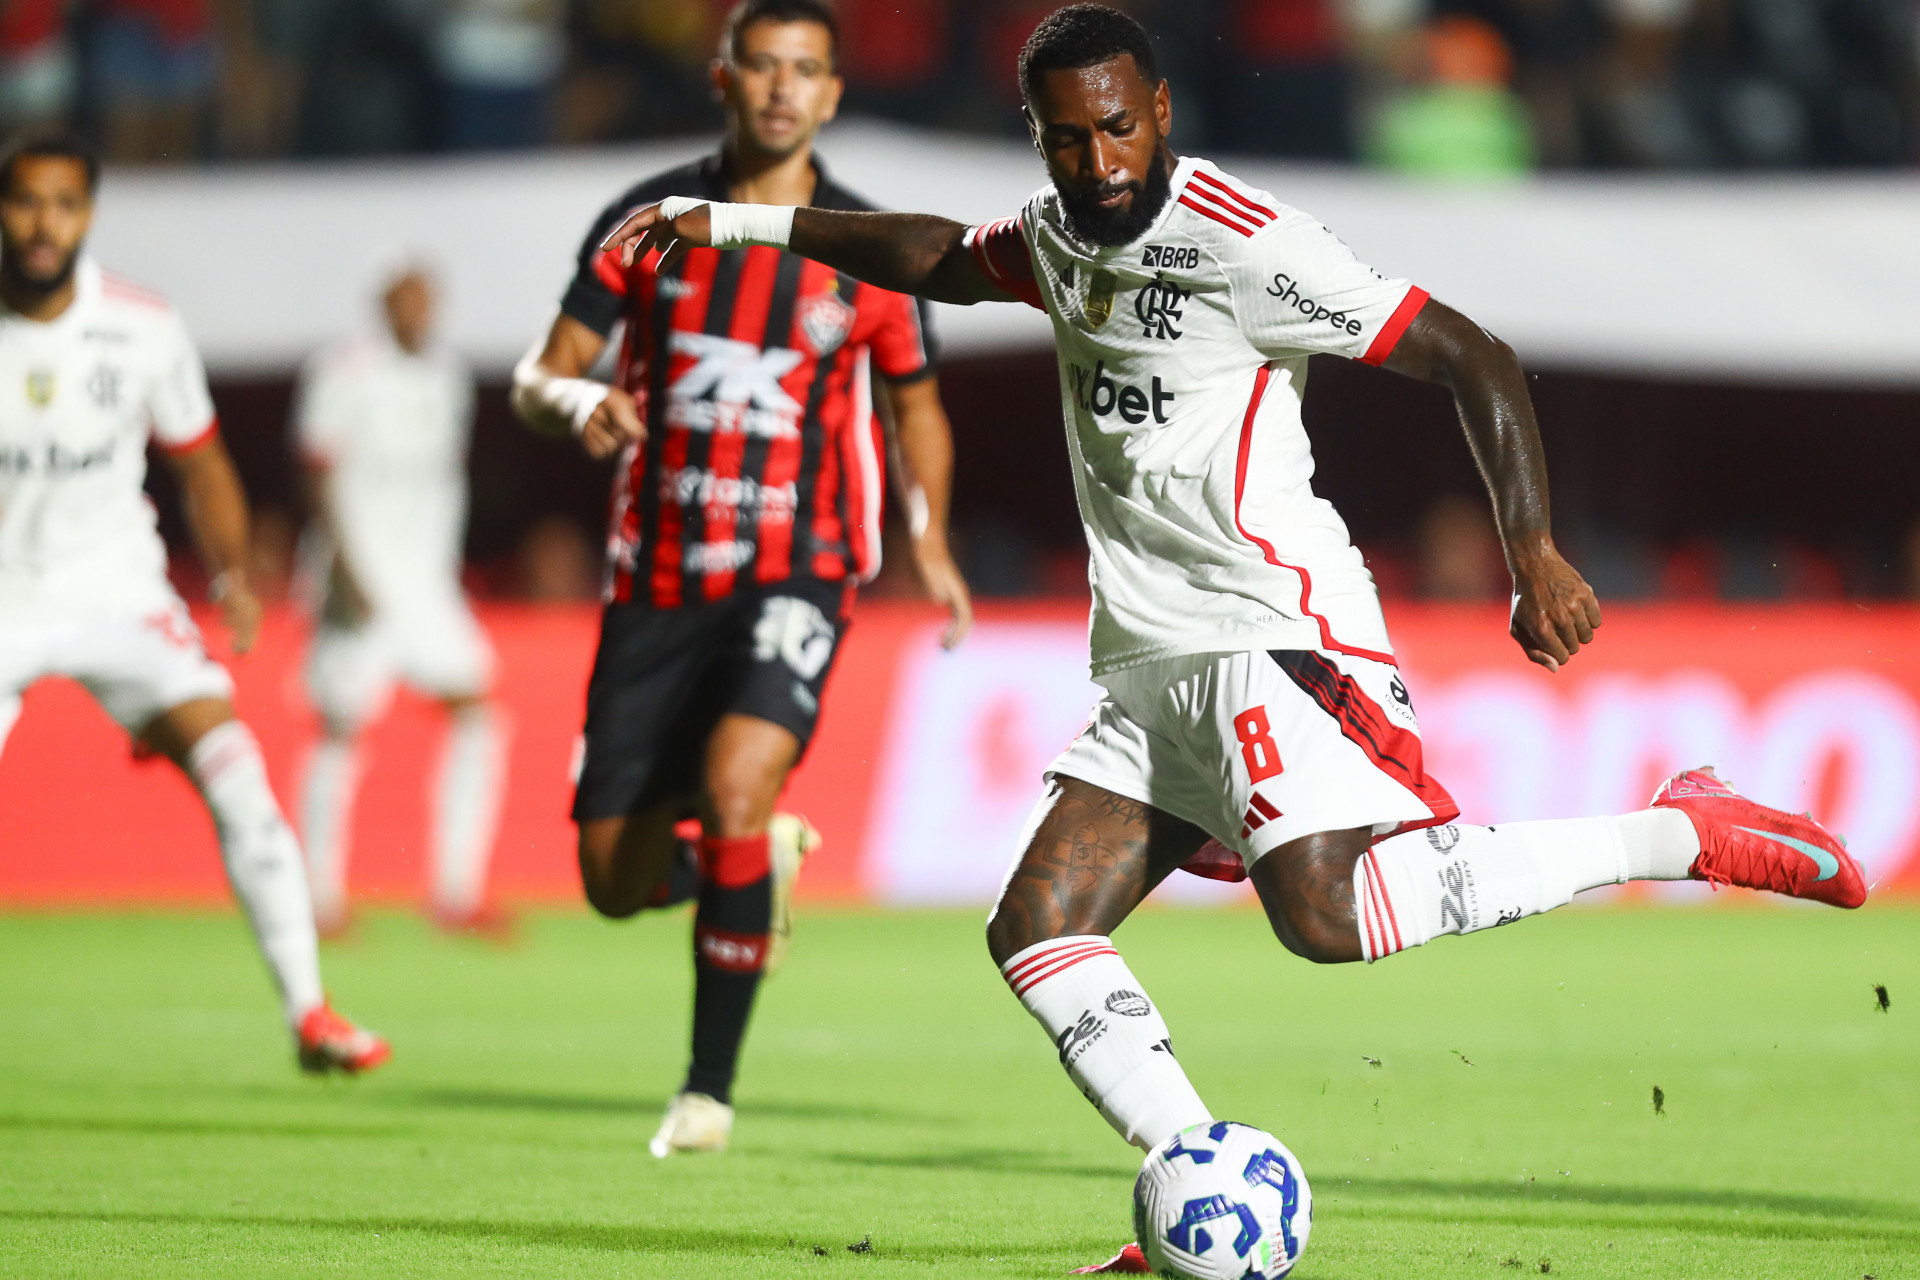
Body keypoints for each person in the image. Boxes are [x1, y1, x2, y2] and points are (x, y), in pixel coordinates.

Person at [598, 2, 1866, 1261]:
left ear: (1158, 112)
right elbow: (938, 255)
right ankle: (1194, 1185)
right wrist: (746, 220)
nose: (1096, 165)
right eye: (1064, 141)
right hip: (1149, 657)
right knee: (1037, 924)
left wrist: (1529, 547)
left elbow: (1468, 352)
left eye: (1115, 131)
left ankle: (1682, 827)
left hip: (1274, 626)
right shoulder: (1056, 232)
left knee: (1327, 917)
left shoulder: (1246, 242)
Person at [512, 0, 973, 1158]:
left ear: (833, 94)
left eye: (804, 70)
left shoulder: (867, 248)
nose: (780, 87)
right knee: (612, 878)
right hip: (657, 582)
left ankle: (706, 1088)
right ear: (723, 80)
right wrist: (578, 401)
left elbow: (916, 408)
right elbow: (541, 372)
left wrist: (931, 536)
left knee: (735, 785)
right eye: (760, 66)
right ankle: (746, 860)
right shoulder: (644, 222)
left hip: (799, 571)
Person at [0, 128, 387, 1074]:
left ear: (89, 214)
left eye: (63, 204)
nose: (43, 224)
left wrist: (231, 579)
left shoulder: (141, 325)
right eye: (24, 202)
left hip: (117, 592)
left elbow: (201, 460)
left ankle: (311, 1013)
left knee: (238, 773)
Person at [294, 264, 507, 937]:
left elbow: (443, 480)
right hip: (359, 581)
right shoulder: (343, 368)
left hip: (427, 585)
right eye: (407, 298)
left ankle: (455, 891)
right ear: (383, 304)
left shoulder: (449, 375)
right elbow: (318, 470)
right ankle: (318, 897)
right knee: (341, 729)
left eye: (429, 297)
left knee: (479, 714)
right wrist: (346, 568)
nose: (420, 310)